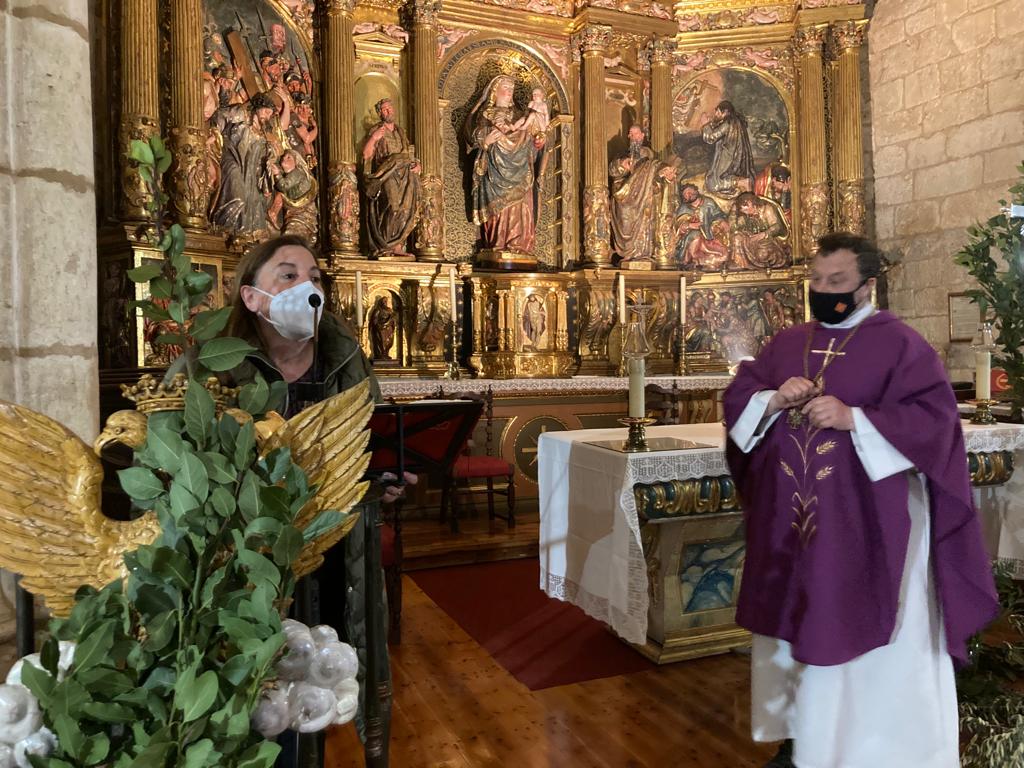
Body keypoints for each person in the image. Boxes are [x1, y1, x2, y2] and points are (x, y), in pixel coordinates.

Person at [723, 233, 999, 768]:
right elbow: (740, 397)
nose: (824, 292)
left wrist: (857, 419)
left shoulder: (901, 345)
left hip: (874, 525)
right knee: (801, 627)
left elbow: (937, 425)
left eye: (838, 283)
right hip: (797, 532)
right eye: (817, 282)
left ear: (868, 286)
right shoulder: (787, 343)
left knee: (877, 632)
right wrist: (773, 399)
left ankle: (881, 748)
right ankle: (808, 739)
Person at [466, 74, 545, 255]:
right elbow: (473, 137)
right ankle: (498, 243)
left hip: (520, 168)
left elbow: (532, 137)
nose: (510, 92)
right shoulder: (486, 114)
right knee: (499, 209)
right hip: (495, 169)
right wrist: (485, 139)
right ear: (495, 91)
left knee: (520, 205)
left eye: (512, 88)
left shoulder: (519, 115)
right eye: (506, 88)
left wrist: (538, 142)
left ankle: (520, 245)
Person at [608, 124, 677, 265]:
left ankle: (643, 254)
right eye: (630, 134)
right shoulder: (622, 155)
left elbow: (657, 168)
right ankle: (628, 253)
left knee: (646, 222)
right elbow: (612, 171)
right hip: (625, 196)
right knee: (625, 218)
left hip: (644, 196)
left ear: (642, 136)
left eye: (635, 134)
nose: (631, 137)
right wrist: (622, 164)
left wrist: (665, 172)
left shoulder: (650, 157)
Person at [362, 97, 421, 258]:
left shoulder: (401, 131)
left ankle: (397, 246)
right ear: (379, 113)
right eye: (384, 109)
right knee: (393, 206)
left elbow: (409, 153)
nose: (388, 111)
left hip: (405, 173)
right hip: (387, 173)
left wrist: (417, 164)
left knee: (406, 208)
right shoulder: (376, 130)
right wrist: (374, 138)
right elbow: (366, 154)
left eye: (390, 108)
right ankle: (384, 245)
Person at [701, 100, 755, 196]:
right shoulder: (736, 121)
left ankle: (741, 182)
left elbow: (711, 138)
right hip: (737, 157)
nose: (716, 114)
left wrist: (705, 125)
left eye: (718, 112)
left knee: (713, 183)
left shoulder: (728, 124)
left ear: (725, 112)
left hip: (729, 159)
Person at [730, 192, 789, 269]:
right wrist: (733, 213)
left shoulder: (767, 209)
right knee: (737, 237)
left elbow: (777, 227)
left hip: (767, 240)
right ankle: (741, 264)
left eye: (746, 209)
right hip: (751, 240)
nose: (745, 212)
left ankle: (763, 265)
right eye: (743, 210)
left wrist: (764, 234)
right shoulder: (745, 215)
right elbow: (734, 228)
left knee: (762, 255)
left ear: (751, 203)